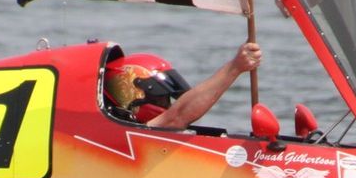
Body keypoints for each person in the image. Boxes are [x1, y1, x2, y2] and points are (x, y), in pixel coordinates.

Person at [104, 42, 262, 131]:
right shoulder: (120, 134)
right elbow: (177, 116)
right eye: (160, 98)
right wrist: (235, 67)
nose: (167, 104)